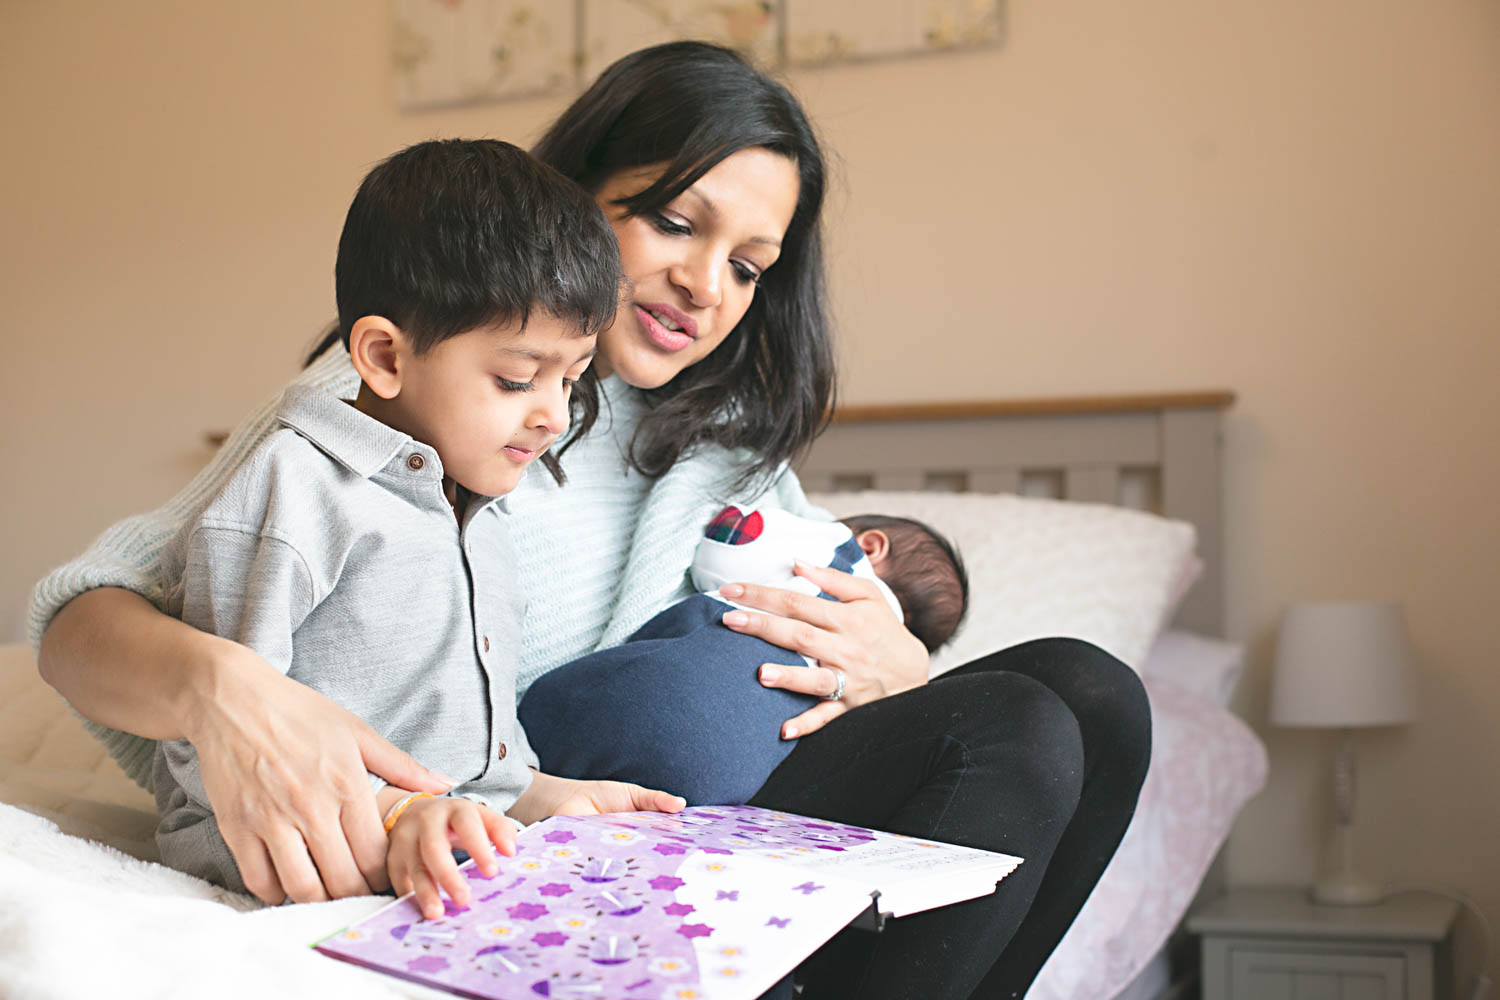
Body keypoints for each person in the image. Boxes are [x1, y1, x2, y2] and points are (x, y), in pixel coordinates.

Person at [32, 41, 1150, 998]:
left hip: (677, 803)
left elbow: (840, 605)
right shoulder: (412, 389)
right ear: (576, 197)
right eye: (674, 220)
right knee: (1019, 727)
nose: (708, 284)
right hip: (514, 799)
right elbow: (80, 616)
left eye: (750, 265)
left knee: (1093, 690)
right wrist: (225, 690)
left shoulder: (725, 445)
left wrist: (894, 661)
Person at [151, 138, 684, 917]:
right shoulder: (293, 488)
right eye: (514, 378)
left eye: (570, 379)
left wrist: (545, 799)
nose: (552, 415)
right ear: (382, 357)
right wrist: (394, 816)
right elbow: (226, 753)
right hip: (280, 847)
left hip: (439, 838)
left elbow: (462, 761)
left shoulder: (481, 509)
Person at [520, 505, 969, 805]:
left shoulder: (833, 546)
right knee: (1025, 690)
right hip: (731, 782)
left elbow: (731, 547)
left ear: (871, 545)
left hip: (668, 697)